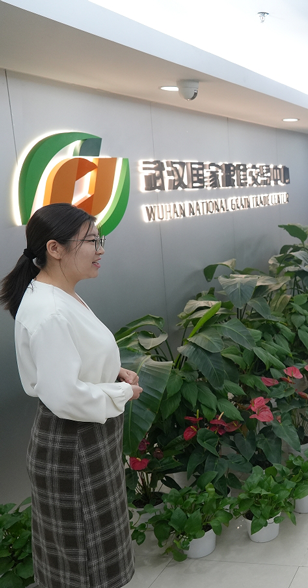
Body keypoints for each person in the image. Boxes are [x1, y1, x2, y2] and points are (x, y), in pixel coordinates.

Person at [0, 203, 142, 588]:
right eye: (91, 241)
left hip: (84, 440)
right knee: (84, 563)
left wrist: (111, 372)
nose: (100, 249)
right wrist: (120, 392)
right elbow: (65, 396)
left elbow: (71, 360)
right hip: (75, 443)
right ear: (55, 248)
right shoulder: (49, 310)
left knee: (89, 552)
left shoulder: (58, 294)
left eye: (100, 239)